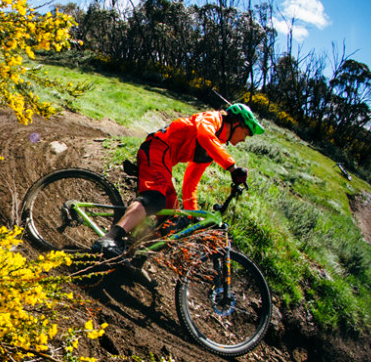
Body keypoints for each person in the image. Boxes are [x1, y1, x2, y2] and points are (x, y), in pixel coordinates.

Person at [92, 102, 264, 259]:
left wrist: (192, 215)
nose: (244, 139)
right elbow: (204, 134)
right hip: (156, 148)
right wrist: (232, 167)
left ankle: (135, 256)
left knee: (174, 220)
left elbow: (190, 184)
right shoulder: (213, 119)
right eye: (246, 133)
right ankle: (110, 238)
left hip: (165, 162)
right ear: (236, 123)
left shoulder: (213, 145)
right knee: (155, 198)